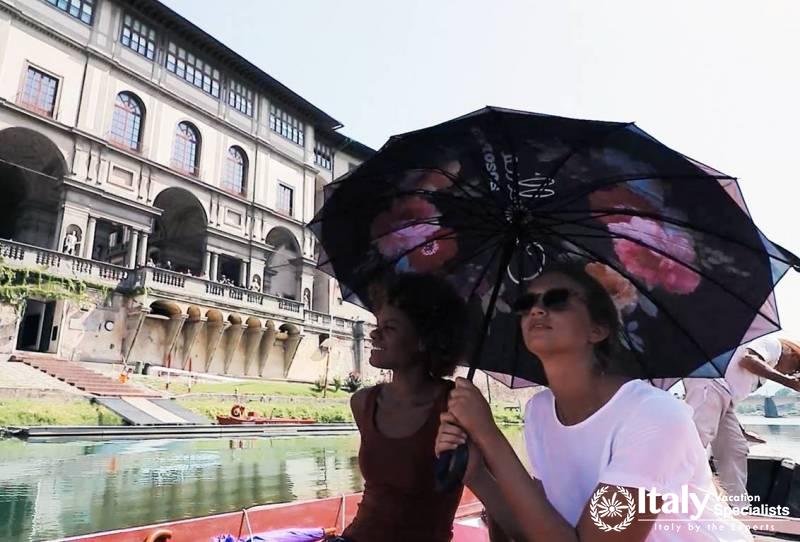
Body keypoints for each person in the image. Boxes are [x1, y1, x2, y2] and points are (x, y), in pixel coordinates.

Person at [436, 262, 750, 541]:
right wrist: (477, 474)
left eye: (557, 300)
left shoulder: (653, 415)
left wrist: (490, 435)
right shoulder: (539, 410)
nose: (536, 310)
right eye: (525, 303)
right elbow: (535, 530)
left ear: (597, 330)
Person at [335, 273, 469, 542]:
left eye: (390, 328)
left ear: (424, 339)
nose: (374, 334)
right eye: (378, 325)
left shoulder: (459, 405)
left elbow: (492, 493)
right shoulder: (362, 403)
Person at [684, 336, 800, 506]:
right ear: (792, 354)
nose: (789, 374)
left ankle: (737, 505)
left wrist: (742, 431)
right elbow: (747, 359)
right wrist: (788, 383)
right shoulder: (773, 345)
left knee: (735, 448)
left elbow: (732, 391)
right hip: (711, 385)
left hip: (725, 398)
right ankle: (677, 495)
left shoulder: (766, 368)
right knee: (696, 443)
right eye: (794, 369)